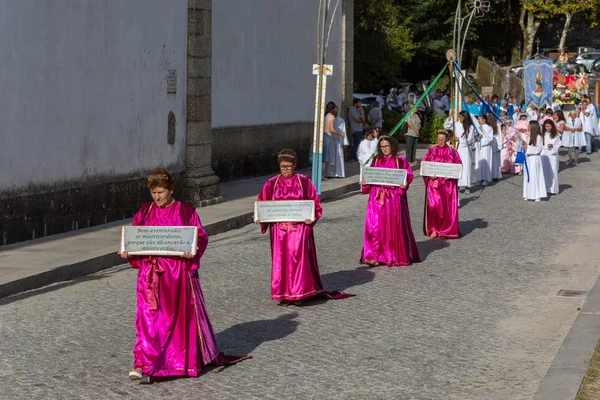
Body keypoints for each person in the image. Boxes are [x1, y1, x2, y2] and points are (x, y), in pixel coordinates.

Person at [121, 169, 249, 384]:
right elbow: (136, 238)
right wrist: (128, 250)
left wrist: (193, 250)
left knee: (173, 320)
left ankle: (173, 363)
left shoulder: (185, 212)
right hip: (149, 276)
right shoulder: (143, 212)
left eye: (161, 192)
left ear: (171, 190)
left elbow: (200, 237)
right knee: (147, 319)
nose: (157, 197)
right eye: (153, 193)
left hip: (176, 275)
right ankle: (143, 362)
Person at [256, 149, 353, 305]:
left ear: (294, 166)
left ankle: (299, 293)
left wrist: (310, 219)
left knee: (298, 260)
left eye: (288, 166)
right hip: (279, 231)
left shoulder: (304, 181)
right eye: (283, 166)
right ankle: (285, 294)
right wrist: (260, 217)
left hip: (299, 230)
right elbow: (262, 204)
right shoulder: (271, 183)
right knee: (281, 262)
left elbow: (315, 205)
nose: (286, 169)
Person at [360, 136, 420, 267]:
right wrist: (365, 182)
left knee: (391, 225)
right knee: (374, 226)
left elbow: (407, 176)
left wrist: (404, 184)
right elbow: (370, 176)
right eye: (382, 147)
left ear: (392, 146)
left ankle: (391, 255)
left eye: (387, 146)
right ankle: (373, 255)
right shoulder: (376, 160)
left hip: (392, 199)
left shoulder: (400, 160)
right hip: (376, 198)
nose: (384, 149)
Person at [422, 130, 462, 239]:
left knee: (446, 208)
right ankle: (434, 228)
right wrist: (429, 175)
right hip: (434, 184)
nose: (440, 142)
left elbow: (458, 166)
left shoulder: (452, 152)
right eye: (439, 139)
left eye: (443, 140)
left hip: (448, 185)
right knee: (434, 206)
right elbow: (424, 166)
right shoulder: (431, 151)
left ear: (446, 140)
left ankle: (446, 229)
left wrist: (451, 175)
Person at [444, 111, 474, 193]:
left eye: (461, 117)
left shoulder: (470, 127)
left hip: (465, 149)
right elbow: (446, 126)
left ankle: (467, 185)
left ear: (465, 117)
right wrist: (450, 118)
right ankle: (458, 184)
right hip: (457, 148)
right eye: (459, 117)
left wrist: (459, 140)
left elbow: (470, 139)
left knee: (466, 166)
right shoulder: (456, 124)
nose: (459, 119)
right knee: (457, 165)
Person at [522, 121, 547, 202]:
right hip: (529, 158)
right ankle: (527, 193)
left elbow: (538, 149)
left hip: (535, 158)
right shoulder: (529, 136)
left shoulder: (539, 137)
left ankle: (536, 195)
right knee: (528, 175)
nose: (527, 126)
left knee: (534, 175)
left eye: (529, 125)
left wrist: (528, 147)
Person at [323, 102, 345, 180]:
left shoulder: (326, 115)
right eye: (335, 107)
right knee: (326, 158)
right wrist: (340, 133)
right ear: (333, 108)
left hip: (324, 136)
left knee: (324, 157)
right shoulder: (331, 117)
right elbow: (332, 129)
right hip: (328, 137)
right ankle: (322, 175)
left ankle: (323, 174)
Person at [541, 119, 561, 195]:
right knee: (544, 170)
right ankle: (545, 188)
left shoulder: (555, 134)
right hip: (543, 153)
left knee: (552, 170)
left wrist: (553, 146)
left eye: (549, 126)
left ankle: (553, 189)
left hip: (551, 154)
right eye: (546, 126)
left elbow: (559, 144)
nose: (548, 128)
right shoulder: (542, 134)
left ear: (552, 126)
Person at [473, 114, 494, 186]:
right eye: (478, 119)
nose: (478, 121)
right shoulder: (478, 127)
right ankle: (479, 178)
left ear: (484, 120)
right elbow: (476, 136)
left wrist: (482, 138)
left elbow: (490, 138)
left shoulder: (489, 128)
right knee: (478, 162)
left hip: (485, 147)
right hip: (479, 147)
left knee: (485, 162)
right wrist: (476, 137)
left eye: (479, 119)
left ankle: (486, 178)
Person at [488, 112, 503, 181]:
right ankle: (490, 174)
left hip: (495, 144)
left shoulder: (497, 125)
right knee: (491, 160)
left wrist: (500, 146)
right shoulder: (487, 125)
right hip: (490, 143)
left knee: (495, 161)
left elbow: (500, 135)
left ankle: (495, 175)